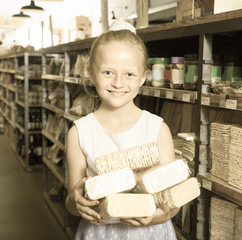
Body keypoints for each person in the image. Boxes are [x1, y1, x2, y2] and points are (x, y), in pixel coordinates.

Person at [65, 29, 179, 240]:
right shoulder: (79, 133)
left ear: (143, 77)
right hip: (100, 233)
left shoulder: (157, 130)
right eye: (108, 72)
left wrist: (155, 217)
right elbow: (72, 203)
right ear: (91, 73)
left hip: (150, 233)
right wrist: (77, 201)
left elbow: (172, 205)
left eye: (129, 74)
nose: (118, 83)